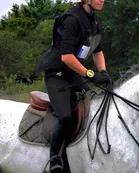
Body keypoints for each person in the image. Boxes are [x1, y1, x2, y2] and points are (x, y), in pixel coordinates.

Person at [38, 0, 109, 172]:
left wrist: (104, 72)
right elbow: (67, 57)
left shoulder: (94, 20)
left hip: (74, 76)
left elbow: (97, 51)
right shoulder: (71, 19)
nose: (102, 0)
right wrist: (91, 74)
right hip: (57, 76)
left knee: (93, 108)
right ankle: (55, 158)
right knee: (65, 116)